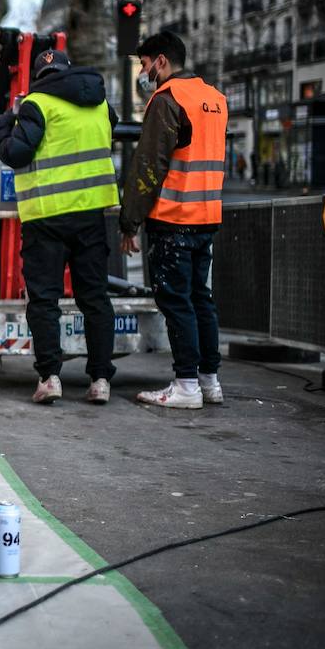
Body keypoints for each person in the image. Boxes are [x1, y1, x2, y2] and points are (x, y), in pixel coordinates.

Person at [0, 49, 119, 405]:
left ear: (39, 77)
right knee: (94, 297)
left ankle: (50, 377)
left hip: (47, 216)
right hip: (92, 213)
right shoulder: (100, 103)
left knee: (45, 300)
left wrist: (1, 129)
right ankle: (100, 380)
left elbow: (17, 153)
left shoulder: (37, 104)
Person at [119, 31, 227, 409]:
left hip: (173, 218)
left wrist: (129, 221)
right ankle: (208, 382)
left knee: (176, 301)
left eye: (146, 64)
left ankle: (184, 386)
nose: (145, 72)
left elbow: (149, 167)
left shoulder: (167, 100)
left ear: (161, 61)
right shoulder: (215, 98)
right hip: (206, 216)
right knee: (201, 300)